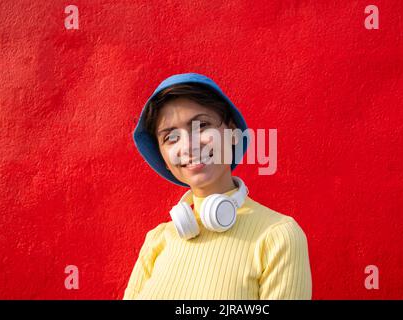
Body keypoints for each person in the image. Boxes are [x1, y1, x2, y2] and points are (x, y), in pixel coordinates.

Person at [123, 73, 312, 299]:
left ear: (233, 133)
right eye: (171, 137)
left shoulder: (279, 235)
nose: (189, 146)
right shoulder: (157, 240)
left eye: (202, 125)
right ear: (164, 158)